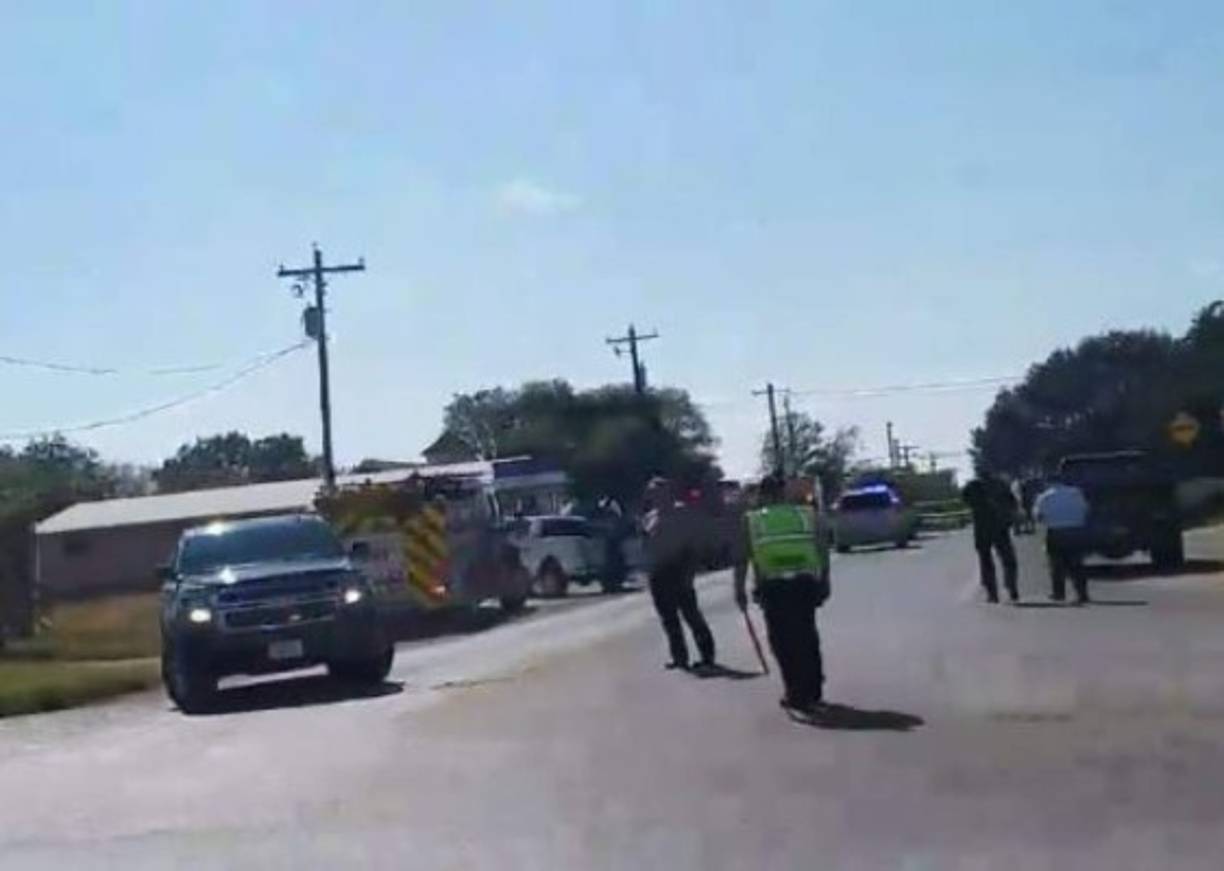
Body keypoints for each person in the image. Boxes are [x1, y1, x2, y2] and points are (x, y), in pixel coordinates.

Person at [733, 473, 831, 715]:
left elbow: (742, 558)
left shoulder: (752, 520)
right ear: (784, 493)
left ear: (762, 495)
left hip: (773, 587)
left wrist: (739, 589)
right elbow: (822, 549)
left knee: (783, 642)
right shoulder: (806, 515)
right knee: (807, 636)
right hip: (804, 583)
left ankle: (796, 692)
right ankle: (813, 688)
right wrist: (825, 580)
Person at [642, 477, 716, 671]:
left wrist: (689, 572)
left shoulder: (681, 512)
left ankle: (707, 657)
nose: (655, 497)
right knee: (669, 619)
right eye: (652, 493)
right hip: (658, 573)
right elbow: (648, 545)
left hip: (679, 569)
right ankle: (679, 657)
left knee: (691, 615)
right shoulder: (650, 517)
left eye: (659, 492)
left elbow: (694, 545)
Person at [962, 473, 1020, 603]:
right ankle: (1011, 586)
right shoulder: (1000, 485)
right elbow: (1012, 502)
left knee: (985, 561)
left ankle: (992, 593)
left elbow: (965, 501)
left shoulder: (972, 486)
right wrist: (1010, 517)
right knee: (1008, 559)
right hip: (1000, 526)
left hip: (982, 527)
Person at [1034, 476, 1091, 605]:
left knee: (1056, 565)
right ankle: (1082, 593)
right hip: (1075, 531)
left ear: (1049, 483)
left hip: (1055, 532)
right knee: (1077, 564)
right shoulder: (1076, 493)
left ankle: (1059, 593)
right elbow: (1085, 509)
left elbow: (1038, 516)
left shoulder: (1045, 497)